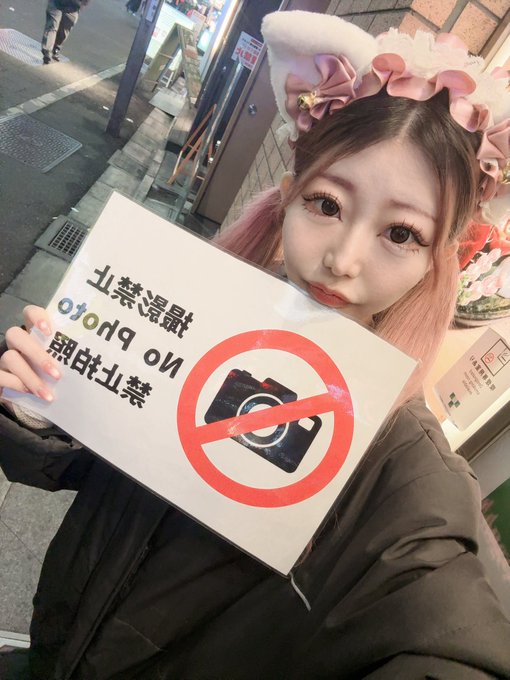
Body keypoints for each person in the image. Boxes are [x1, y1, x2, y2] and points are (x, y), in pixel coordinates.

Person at [1, 9, 510, 679]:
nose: (343, 260)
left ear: (436, 261)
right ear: (289, 195)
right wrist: (43, 410)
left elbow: (441, 620)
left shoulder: (405, 467)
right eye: (327, 204)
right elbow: (85, 465)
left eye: (401, 234)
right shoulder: (189, 312)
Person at [41, 0, 90, 65]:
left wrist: (82, 4)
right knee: (52, 27)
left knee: (64, 32)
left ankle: (56, 49)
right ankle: (47, 52)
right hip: (56, 3)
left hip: (73, 7)